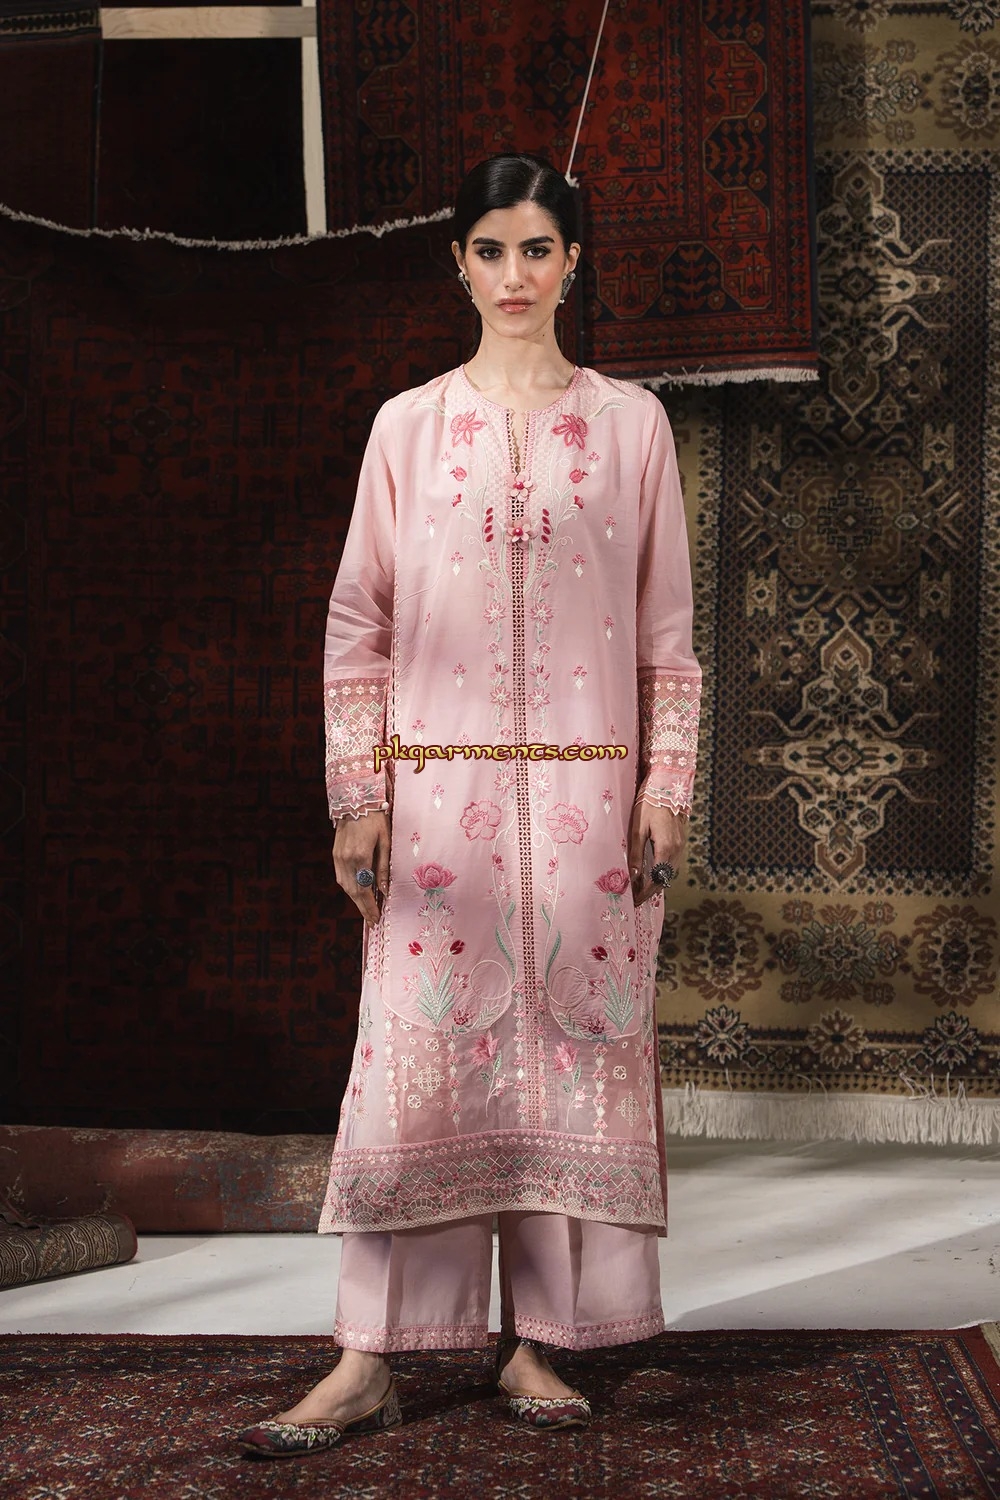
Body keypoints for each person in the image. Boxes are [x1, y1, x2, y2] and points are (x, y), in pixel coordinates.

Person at [236, 153, 702, 1457]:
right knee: (416, 1071)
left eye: (538, 249)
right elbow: (357, 624)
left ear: (574, 263)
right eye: (491, 250)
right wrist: (357, 795)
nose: (514, 275)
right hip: (437, 806)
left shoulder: (633, 427)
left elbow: (668, 633)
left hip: (590, 807)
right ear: (458, 263)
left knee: (572, 1064)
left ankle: (541, 1343)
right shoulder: (408, 427)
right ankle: (367, 1361)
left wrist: (667, 784)